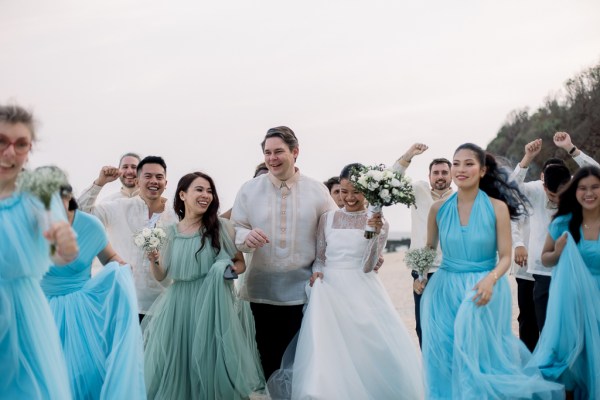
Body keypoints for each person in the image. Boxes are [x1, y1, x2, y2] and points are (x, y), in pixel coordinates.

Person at [420, 143, 564, 399]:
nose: (460, 169)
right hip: (443, 289)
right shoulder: (437, 209)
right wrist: (419, 275)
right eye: (456, 163)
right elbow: (429, 249)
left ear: (483, 170)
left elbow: (506, 256)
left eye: (468, 163)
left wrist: (490, 279)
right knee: (445, 356)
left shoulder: (497, 208)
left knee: (480, 356)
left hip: (484, 286)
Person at [285, 163, 424, 399]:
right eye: (343, 191)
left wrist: (375, 234)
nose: (348, 197)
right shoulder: (327, 218)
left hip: (361, 287)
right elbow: (320, 258)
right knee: (328, 351)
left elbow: (368, 266)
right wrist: (317, 272)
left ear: (368, 192)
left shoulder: (380, 221)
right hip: (329, 291)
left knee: (368, 345)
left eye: (356, 192)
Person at [143, 172, 264, 399]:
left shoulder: (221, 227)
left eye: (209, 191)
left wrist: (224, 270)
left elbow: (240, 264)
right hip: (177, 307)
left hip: (211, 308)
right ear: (183, 194)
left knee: (209, 362)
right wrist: (154, 259)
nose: (205, 195)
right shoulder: (168, 232)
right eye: (199, 189)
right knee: (178, 363)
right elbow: (162, 277)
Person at [231, 126, 338, 379]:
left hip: (303, 293)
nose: (272, 158)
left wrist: (368, 247)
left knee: (300, 365)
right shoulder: (248, 189)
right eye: (267, 153)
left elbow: (335, 232)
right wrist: (245, 237)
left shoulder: (318, 190)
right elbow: (234, 228)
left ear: (295, 152)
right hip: (259, 292)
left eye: (278, 151)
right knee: (267, 362)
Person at [0, 104, 78, 398]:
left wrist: (64, 244)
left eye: (21, 145)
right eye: (1, 141)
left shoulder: (36, 192)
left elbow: (59, 247)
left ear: (30, 149)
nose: (10, 154)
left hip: (21, 311)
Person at [41, 183, 146, 399]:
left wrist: (121, 266)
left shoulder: (90, 225)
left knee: (83, 372)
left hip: (80, 310)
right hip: (41, 307)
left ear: (68, 197)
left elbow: (109, 257)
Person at [510, 134, 598, 336]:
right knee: (544, 330)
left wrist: (571, 149)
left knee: (576, 329)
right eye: (552, 196)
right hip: (541, 273)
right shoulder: (533, 190)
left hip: (576, 270)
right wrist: (526, 159)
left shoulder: (579, 188)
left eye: (562, 195)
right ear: (543, 186)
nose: (558, 200)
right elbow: (509, 189)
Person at [78, 155, 178, 321]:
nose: (154, 181)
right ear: (138, 182)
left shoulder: (175, 215)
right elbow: (80, 214)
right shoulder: (118, 208)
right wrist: (100, 182)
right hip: (123, 301)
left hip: (163, 305)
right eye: (148, 176)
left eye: (159, 177)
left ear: (165, 184)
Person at [530, 166, 600, 399]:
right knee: (570, 360)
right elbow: (545, 259)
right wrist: (558, 251)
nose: (589, 193)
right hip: (572, 304)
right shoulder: (563, 223)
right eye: (582, 188)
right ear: (575, 191)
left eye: (595, 187)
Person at [392, 142, 453, 346]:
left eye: (445, 172)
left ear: (452, 175)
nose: (440, 176)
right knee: (423, 326)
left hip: (452, 271)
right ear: (429, 177)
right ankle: (429, 370)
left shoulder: (460, 198)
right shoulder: (417, 191)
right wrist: (408, 155)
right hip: (423, 271)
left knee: (450, 325)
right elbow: (392, 181)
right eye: (436, 172)